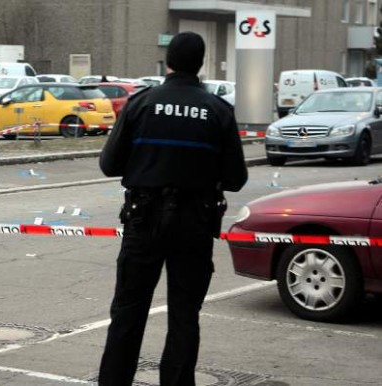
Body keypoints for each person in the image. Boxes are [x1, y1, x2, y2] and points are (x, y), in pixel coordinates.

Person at [97, 31, 248, 386]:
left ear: (168, 62)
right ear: (201, 64)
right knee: (184, 316)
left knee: (128, 313)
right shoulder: (218, 110)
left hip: (144, 218)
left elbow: (109, 164)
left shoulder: (141, 103)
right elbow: (236, 178)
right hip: (195, 222)